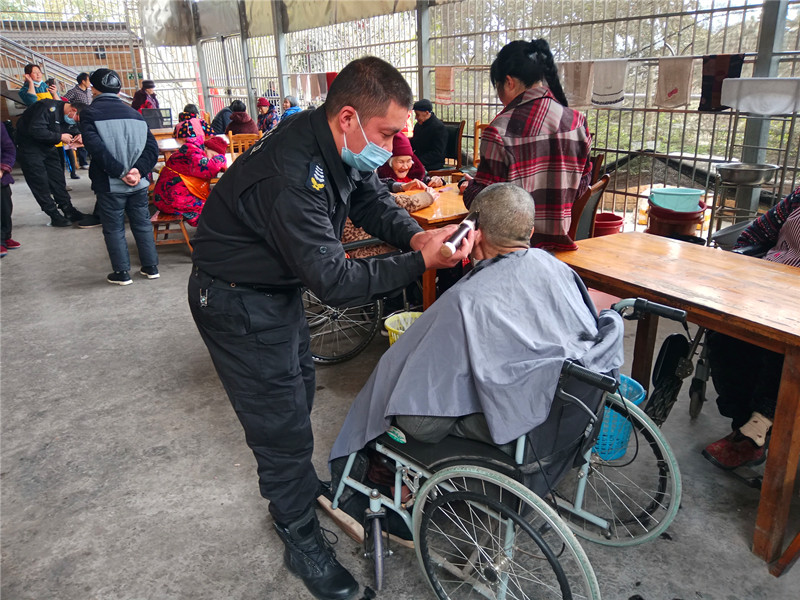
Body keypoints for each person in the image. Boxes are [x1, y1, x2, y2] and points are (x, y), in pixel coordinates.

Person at [188, 55, 471, 600]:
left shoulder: (332, 142)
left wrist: (415, 237)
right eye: (386, 133)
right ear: (348, 117)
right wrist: (423, 263)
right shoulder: (291, 176)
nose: (390, 149)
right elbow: (335, 281)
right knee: (279, 422)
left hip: (274, 291)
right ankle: (297, 531)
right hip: (236, 301)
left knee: (298, 388)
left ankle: (296, 487)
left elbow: (367, 195)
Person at [330, 182, 623, 460]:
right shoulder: (557, 268)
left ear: (475, 233)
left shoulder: (466, 298)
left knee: (415, 420)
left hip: (524, 420)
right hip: (566, 404)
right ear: (530, 231)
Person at [460, 38, 592, 251]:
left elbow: (485, 207)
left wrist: (470, 187)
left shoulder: (500, 130)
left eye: (498, 86)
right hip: (559, 253)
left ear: (509, 82)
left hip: (512, 254)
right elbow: (581, 185)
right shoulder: (577, 121)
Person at [702, 186, 800, 470]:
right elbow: (754, 234)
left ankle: (760, 426)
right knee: (723, 333)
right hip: (769, 284)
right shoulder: (797, 197)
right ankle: (744, 423)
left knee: (780, 350)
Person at [78, 68, 160, 286]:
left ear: (94, 88)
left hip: (110, 184)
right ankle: (151, 268)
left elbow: (95, 148)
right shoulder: (135, 113)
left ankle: (122, 273)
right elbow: (152, 149)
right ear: (119, 89)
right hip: (139, 183)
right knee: (142, 224)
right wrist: (137, 171)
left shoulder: (89, 113)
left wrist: (121, 173)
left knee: (114, 228)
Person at [14, 98, 86, 227]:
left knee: (57, 179)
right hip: (30, 148)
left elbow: (71, 127)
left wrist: (78, 134)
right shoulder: (46, 107)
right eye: (76, 118)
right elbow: (36, 130)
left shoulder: (67, 114)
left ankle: (68, 209)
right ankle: (53, 214)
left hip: (48, 147)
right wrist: (59, 137)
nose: (74, 121)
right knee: (39, 182)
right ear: (73, 110)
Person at [153, 125, 227, 226]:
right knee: (211, 207)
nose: (212, 158)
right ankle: (209, 231)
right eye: (213, 155)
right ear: (206, 147)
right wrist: (221, 159)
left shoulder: (192, 150)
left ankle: (210, 229)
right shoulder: (192, 152)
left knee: (213, 203)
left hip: (167, 194)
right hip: (168, 199)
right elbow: (210, 168)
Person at [376, 132, 445, 193]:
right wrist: (402, 186)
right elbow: (386, 185)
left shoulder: (415, 174)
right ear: (388, 162)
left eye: (409, 161)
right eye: (400, 162)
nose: (405, 167)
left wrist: (436, 181)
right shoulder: (379, 179)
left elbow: (425, 179)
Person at [63, 73, 93, 169]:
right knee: (79, 137)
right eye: (88, 80)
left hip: (87, 117)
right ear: (83, 81)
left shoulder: (89, 92)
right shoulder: (74, 91)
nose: (89, 83)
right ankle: (83, 161)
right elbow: (64, 100)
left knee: (87, 137)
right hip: (77, 117)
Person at [409, 98, 447, 171]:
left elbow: (437, 153)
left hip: (433, 163)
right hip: (420, 159)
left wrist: (417, 161)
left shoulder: (439, 127)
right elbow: (414, 143)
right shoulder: (418, 126)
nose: (416, 118)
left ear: (426, 113)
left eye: (417, 115)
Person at [1, 124, 19, 257]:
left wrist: (2, 169)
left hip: (1, 178)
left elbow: (9, 149)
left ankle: (6, 236)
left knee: (6, 208)